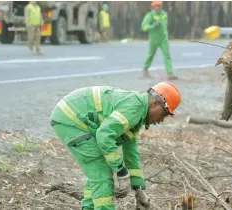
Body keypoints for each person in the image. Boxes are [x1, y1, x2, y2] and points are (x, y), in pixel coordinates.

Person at [49, 82, 181, 210]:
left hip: (73, 118)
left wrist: (138, 188)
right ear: (155, 103)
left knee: (98, 173)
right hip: (71, 119)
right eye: (164, 114)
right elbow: (104, 136)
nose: (161, 120)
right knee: (102, 173)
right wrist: (121, 171)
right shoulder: (133, 108)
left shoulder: (137, 113)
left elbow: (131, 153)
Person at [140, 1, 177, 80]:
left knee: (167, 55)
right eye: (156, 6)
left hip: (163, 38)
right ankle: (145, 69)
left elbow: (164, 25)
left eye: (160, 5)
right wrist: (153, 26)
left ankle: (170, 73)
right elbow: (143, 27)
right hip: (154, 39)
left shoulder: (164, 14)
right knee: (151, 54)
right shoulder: (150, 15)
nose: (158, 7)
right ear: (153, 6)